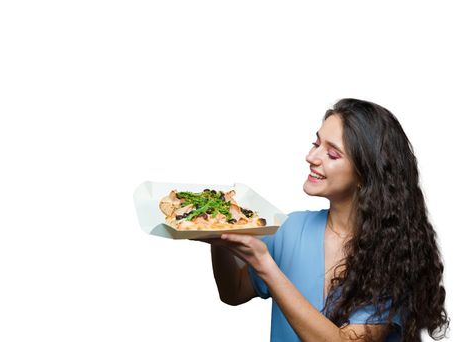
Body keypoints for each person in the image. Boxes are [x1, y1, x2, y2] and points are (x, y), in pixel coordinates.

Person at [192, 98, 449, 342]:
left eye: (332, 154)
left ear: (365, 174)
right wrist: (219, 238)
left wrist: (265, 266)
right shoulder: (289, 228)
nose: (311, 157)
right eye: (316, 144)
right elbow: (233, 293)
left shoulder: (393, 253)